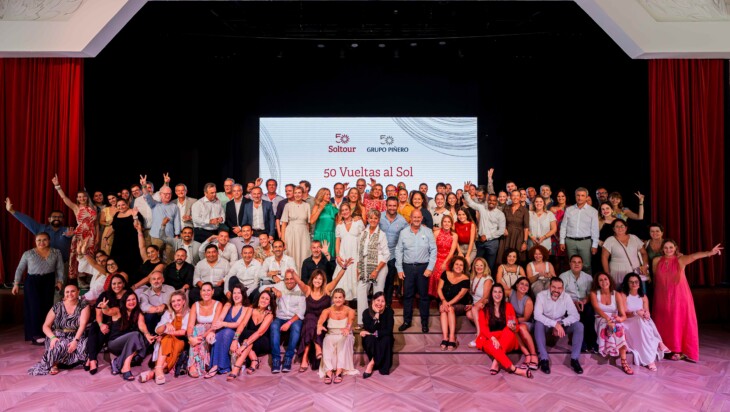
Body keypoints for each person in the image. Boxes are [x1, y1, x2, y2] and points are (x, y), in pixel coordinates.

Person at [653, 241, 722, 362]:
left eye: (671, 247)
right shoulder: (656, 260)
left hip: (679, 296)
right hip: (661, 296)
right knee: (663, 322)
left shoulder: (680, 260)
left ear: (675, 248)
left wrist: (709, 253)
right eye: (666, 247)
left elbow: (694, 256)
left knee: (677, 322)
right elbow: (655, 277)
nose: (668, 250)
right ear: (662, 249)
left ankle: (678, 350)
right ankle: (664, 348)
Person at [292, 261, 353, 372]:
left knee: (312, 324)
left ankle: (306, 356)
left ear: (323, 280)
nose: (317, 281)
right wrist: (292, 273)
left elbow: (336, 279)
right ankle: (317, 347)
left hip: (323, 321)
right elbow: (299, 282)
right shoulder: (308, 290)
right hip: (309, 320)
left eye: (320, 279)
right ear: (312, 279)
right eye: (316, 278)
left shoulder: (327, 289)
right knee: (310, 320)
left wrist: (344, 268)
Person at [12, 232, 64, 345]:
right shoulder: (28, 253)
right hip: (32, 282)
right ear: (35, 241)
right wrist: (16, 284)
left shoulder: (56, 252)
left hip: (49, 281)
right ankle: (35, 335)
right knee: (34, 307)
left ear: (49, 240)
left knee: (47, 307)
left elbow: (60, 268)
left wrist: (60, 281)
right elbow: (20, 269)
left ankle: (46, 333)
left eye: (44, 240)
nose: (41, 242)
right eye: (39, 240)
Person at [28, 283, 90, 375]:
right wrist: (52, 337)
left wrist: (75, 340)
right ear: (64, 293)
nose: (70, 294)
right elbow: (46, 326)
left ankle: (71, 362)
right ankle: (54, 363)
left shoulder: (84, 305)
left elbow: (83, 325)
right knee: (60, 344)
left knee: (85, 344)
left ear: (78, 292)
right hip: (58, 335)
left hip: (76, 335)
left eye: (73, 291)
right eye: (67, 292)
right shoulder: (57, 306)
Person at [475, 284, 533, 379]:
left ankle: (496, 361)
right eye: (495, 292)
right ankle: (515, 369)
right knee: (491, 345)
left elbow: (515, 324)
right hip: (490, 338)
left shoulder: (508, 306)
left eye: (500, 292)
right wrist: (493, 338)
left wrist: (514, 327)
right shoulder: (484, 309)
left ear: (503, 294)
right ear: (491, 294)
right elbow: (483, 328)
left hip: (506, 339)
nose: (497, 294)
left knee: (508, 330)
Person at [395, 209, 437, 333]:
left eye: (419, 217)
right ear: (411, 218)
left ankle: (424, 323)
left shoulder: (428, 232)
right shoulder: (403, 232)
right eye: (414, 217)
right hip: (407, 267)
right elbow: (399, 251)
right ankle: (406, 321)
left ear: (422, 218)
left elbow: (433, 250)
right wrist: (399, 269)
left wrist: (430, 268)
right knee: (408, 296)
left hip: (423, 268)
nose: (417, 219)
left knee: (424, 297)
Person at [137, 290, 190, 385]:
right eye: (173, 301)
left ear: (184, 301)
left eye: (178, 300)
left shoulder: (188, 313)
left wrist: (167, 333)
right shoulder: (168, 313)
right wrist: (166, 325)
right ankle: (159, 371)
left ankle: (155, 370)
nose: (176, 303)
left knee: (169, 340)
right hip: (166, 340)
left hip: (181, 340)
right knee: (167, 339)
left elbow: (184, 331)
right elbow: (157, 330)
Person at [51, 174, 97, 281]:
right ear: (77, 198)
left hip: (91, 234)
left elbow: (96, 224)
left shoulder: (93, 207)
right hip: (80, 234)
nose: (82, 198)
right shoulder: (76, 207)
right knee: (80, 255)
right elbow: (64, 198)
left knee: (90, 255)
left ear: (87, 197)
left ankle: (90, 278)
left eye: (84, 196)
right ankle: (80, 279)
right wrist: (57, 186)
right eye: (79, 197)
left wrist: (97, 236)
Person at [534, 277, 584, 374]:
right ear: (549, 287)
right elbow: (537, 315)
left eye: (559, 288)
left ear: (563, 289)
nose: (556, 290)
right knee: (538, 324)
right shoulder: (541, 296)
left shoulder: (566, 297)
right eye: (554, 287)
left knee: (579, 326)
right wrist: (554, 324)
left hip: (561, 324)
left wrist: (560, 323)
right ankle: (544, 359)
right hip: (546, 324)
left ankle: (574, 359)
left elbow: (575, 316)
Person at [620, 273, 669, 371]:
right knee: (641, 321)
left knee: (647, 320)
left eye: (636, 282)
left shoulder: (643, 297)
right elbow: (623, 313)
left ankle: (651, 356)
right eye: (631, 282)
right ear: (627, 283)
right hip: (628, 322)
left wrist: (646, 314)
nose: (634, 284)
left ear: (639, 283)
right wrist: (636, 312)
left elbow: (647, 311)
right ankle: (657, 344)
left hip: (641, 322)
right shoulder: (624, 295)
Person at [105, 290, 156, 380]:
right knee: (135, 335)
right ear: (124, 301)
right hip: (115, 343)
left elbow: (142, 325)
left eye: (133, 299)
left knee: (145, 339)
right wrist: (104, 308)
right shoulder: (118, 310)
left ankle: (117, 362)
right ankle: (126, 368)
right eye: (128, 300)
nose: (131, 302)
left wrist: (147, 334)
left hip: (129, 345)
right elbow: (108, 311)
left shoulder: (138, 313)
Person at [6, 197, 73, 263]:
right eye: (54, 217)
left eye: (60, 217)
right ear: (49, 219)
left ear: (62, 219)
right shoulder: (41, 228)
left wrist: (72, 235)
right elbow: (27, 221)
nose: (57, 218)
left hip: (64, 264)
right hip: (44, 264)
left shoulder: (68, 230)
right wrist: (12, 211)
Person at [590, 272, 632, 375]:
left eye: (605, 279)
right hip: (601, 318)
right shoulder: (594, 294)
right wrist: (608, 319)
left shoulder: (616, 294)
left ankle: (623, 361)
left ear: (609, 280)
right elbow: (597, 309)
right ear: (597, 283)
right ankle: (610, 349)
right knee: (607, 326)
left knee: (619, 328)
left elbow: (623, 315)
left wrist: (619, 319)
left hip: (614, 319)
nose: (604, 282)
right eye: (600, 280)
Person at [85, 273, 128, 375]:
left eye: (119, 283)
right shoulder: (104, 295)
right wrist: (101, 325)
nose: (116, 286)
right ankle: (93, 360)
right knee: (94, 328)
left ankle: (91, 358)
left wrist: (104, 326)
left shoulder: (128, 294)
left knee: (103, 332)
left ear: (123, 284)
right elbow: (98, 314)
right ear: (110, 284)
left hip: (117, 323)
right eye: (114, 284)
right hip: (103, 321)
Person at [227, 291, 275, 379]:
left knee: (247, 339)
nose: (264, 300)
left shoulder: (269, 315)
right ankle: (254, 360)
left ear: (269, 302)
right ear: (259, 299)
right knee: (246, 337)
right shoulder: (251, 309)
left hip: (262, 341)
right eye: (262, 298)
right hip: (249, 340)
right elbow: (242, 324)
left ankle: (236, 368)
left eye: (267, 299)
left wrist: (243, 346)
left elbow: (259, 333)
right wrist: (235, 339)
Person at [356, 210, 390, 326]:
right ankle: (363, 321)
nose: (373, 220)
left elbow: (386, 255)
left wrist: (376, 270)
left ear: (379, 220)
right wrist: (358, 268)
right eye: (371, 218)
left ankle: (377, 320)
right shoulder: (363, 233)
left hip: (379, 267)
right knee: (361, 291)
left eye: (375, 218)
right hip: (365, 267)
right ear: (368, 219)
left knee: (378, 295)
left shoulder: (382, 234)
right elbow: (359, 252)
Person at [317, 288, 358, 384]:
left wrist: (347, 328)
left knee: (344, 339)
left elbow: (350, 321)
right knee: (327, 340)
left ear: (344, 299)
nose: (338, 300)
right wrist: (319, 326)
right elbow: (321, 320)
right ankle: (328, 371)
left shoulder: (350, 310)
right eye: (335, 297)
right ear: (332, 299)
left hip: (345, 334)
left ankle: (339, 371)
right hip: (331, 334)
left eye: (340, 297)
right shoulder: (327, 310)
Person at [462, 184, 506, 273]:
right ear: (487, 200)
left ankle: (489, 280)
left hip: (492, 242)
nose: (491, 202)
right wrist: (466, 192)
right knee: (477, 263)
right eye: (490, 200)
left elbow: (501, 230)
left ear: (496, 202)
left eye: (494, 200)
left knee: (490, 265)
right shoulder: (481, 208)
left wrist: (487, 237)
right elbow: (470, 203)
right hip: (480, 241)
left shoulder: (500, 214)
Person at [207, 285, 248, 377]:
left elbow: (238, 323)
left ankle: (221, 366)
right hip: (223, 330)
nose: (236, 295)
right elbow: (220, 318)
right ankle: (215, 365)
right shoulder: (228, 305)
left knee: (226, 333)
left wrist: (223, 324)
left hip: (236, 333)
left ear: (243, 295)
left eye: (239, 293)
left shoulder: (245, 308)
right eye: (234, 293)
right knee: (218, 334)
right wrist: (212, 331)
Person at [559, 255, 597, 352]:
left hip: (583, 302)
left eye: (579, 262)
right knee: (576, 314)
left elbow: (590, 294)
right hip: (568, 303)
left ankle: (591, 342)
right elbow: (561, 294)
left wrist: (584, 301)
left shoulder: (588, 277)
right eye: (574, 262)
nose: (576, 264)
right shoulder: (563, 276)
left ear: (582, 264)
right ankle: (581, 344)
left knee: (589, 311)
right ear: (570, 264)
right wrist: (573, 303)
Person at [186, 282, 222, 378]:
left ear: (213, 292)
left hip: (212, 331)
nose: (206, 293)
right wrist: (190, 338)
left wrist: (201, 337)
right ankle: (193, 364)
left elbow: (214, 325)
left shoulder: (218, 304)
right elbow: (190, 325)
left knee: (199, 331)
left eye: (208, 290)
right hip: (199, 331)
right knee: (196, 329)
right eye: (204, 290)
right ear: (200, 292)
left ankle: (200, 364)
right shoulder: (195, 305)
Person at [560, 187, 599, 274]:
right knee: (572, 265)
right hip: (570, 242)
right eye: (578, 195)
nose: (580, 198)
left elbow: (595, 229)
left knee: (586, 266)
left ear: (586, 197)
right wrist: (562, 241)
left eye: (582, 195)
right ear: (575, 196)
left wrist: (595, 245)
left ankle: (588, 283)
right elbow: (563, 226)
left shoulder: (593, 211)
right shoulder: (569, 209)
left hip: (585, 242)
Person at [140, 175, 179, 263]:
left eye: (169, 194)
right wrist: (144, 185)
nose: (167, 195)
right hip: (156, 236)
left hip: (170, 236)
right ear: (160, 194)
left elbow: (177, 221)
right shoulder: (154, 204)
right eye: (165, 194)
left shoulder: (174, 206)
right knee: (155, 259)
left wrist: (177, 234)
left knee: (170, 259)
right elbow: (147, 196)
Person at [379, 196, 409, 307]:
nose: (392, 208)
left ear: (397, 206)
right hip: (379, 255)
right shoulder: (379, 217)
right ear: (386, 205)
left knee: (389, 281)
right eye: (390, 205)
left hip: (392, 256)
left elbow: (407, 235)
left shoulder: (402, 220)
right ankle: (377, 304)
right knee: (378, 282)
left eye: (394, 206)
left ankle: (387, 305)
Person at [601, 219, 650, 285]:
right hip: (617, 273)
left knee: (635, 290)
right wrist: (607, 274)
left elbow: (644, 253)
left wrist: (645, 265)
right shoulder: (609, 240)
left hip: (635, 272)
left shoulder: (634, 238)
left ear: (626, 228)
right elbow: (604, 257)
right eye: (617, 226)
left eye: (622, 226)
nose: (620, 228)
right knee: (620, 290)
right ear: (613, 229)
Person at [437, 256, 470, 351]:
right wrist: (443, 301)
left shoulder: (466, 279)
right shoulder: (445, 273)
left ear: (463, 268)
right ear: (452, 265)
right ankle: (445, 338)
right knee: (443, 310)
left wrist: (447, 304)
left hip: (459, 304)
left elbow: (460, 296)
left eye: (461, 265)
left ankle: (452, 337)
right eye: (456, 264)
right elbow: (439, 289)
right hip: (444, 300)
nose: (458, 266)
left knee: (450, 309)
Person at [106, 198, 145, 280]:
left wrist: (135, 216)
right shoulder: (117, 214)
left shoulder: (134, 212)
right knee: (118, 262)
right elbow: (113, 227)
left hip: (131, 242)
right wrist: (106, 237)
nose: (121, 207)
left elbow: (138, 226)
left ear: (127, 204)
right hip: (118, 243)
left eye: (123, 204)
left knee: (132, 262)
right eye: (119, 205)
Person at [335, 202, 364, 301]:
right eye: (342, 210)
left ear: (350, 211)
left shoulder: (358, 222)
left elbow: (363, 239)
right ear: (340, 213)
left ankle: (357, 303)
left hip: (355, 254)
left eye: (346, 209)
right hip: (343, 255)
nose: (345, 212)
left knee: (355, 277)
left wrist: (361, 257)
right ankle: (343, 302)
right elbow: (337, 241)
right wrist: (338, 256)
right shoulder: (339, 226)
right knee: (342, 279)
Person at [360, 291, 394, 377]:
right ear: (373, 301)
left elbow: (389, 330)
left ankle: (372, 363)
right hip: (371, 338)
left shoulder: (389, 312)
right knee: (370, 339)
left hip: (384, 336)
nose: (380, 303)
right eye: (378, 300)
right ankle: (375, 362)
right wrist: (377, 315)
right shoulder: (366, 312)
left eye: (382, 301)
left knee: (386, 339)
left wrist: (375, 333)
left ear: (385, 303)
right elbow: (370, 328)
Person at [509, 277, 538, 370]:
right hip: (514, 321)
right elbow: (498, 292)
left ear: (528, 289)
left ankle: (533, 355)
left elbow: (526, 318)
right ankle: (527, 354)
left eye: (526, 285)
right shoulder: (511, 293)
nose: (523, 286)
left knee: (520, 327)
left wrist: (513, 321)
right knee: (513, 328)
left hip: (526, 323)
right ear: (517, 285)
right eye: (521, 283)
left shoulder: (528, 300)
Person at [280, 186, 311, 272]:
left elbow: (308, 223)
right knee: (291, 254)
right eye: (295, 193)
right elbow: (284, 224)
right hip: (290, 233)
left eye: (299, 193)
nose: (297, 195)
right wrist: (283, 240)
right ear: (293, 194)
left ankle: (302, 276)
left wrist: (307, 235)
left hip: (303, 233)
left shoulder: (307, 205)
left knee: (304, 254)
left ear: (303, 194)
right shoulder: (288, 205)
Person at [465, 258, 494, 348]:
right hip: (476, 304)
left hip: (486, 302)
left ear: (485, 266)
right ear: (474, 267)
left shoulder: (487, 278)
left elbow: (485, 296)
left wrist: (474, 305)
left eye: (481, 265)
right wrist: (471, 304)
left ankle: (479, 334)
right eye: (477, 265)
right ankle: (485, 331)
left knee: (474, 309)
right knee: (469, 314)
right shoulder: (472, 278)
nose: (479, 267)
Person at [429, 214, 459, 299]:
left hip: (448, 258)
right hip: (436, 257)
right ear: (442, 223)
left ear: (451, 224)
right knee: (435, 272)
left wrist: (445, 262)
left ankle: (442, 296)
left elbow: (452, 252)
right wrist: (434, 261)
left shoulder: (454, 235)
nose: (446, 223)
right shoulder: (436, 233)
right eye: (445, 221)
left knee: (443, 274)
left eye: (449, 222)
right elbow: (432, 249)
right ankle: (434, 295)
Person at [496, 190, 529, 265]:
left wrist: (525, 242)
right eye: (513, 195)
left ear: (520, 197)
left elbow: (526, 228)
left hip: (518, 236)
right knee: (503, 256)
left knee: (516, 257)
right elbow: (501, 221)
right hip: (506, 236)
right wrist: (504, 228)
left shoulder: (524, 210)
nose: (515, 197)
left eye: (517, 195)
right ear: (510, 197)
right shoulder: (506, 208)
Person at [131, 220, 166, 290]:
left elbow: (148, 278)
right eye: (148, 253)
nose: (150, 254)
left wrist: (134, 287)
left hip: (144, 287)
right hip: (135, 284)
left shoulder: (161, 265)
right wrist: (139, 231)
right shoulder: (146, 259)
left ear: (157, 252)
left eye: (152, 252)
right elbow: (142, 247)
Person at [138, 270, 175, 335]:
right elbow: (144, 306)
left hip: (169, 316)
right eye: (154, 279)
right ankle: (152, 336)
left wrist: (165, 306)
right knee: (149, 316)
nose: (156, 281)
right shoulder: (145, 293)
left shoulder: (170, 289)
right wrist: (157, 309)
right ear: (150, 281)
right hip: (155, 318)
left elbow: (176, 301)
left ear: (163, 280)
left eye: (158, 278)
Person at [310, 188, 339, 257]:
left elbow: (337, 221)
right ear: (321, 195)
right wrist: (320, 208)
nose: (329, 196)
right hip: (320, 235)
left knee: (330, 257)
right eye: (326, 194)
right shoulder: (316, 206)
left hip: (331, 235)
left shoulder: (333, 206)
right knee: (319, 256)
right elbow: (312, 221)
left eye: (329, 194)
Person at [224, 183, 250, 250]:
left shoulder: (249, 202)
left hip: (246, 233)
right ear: (232, 192)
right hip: (233, 233)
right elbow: (227, 219)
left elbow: (250, 218)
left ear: (242, 191)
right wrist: (235, 230)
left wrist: (241, 228)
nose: (236, 193)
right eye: (234, 191)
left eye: (238, 190)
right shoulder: (229, 204)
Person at [549, 189, 568, 273]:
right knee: (555, 260)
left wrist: (563, 238)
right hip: (555, 237)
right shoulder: (552, 209)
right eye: (558, 196)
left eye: (562, 196)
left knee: (566, 260)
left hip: (567, 238)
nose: (560, 198)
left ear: (566, 197)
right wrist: (557, 237)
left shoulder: (570, 208)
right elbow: (550, 224)